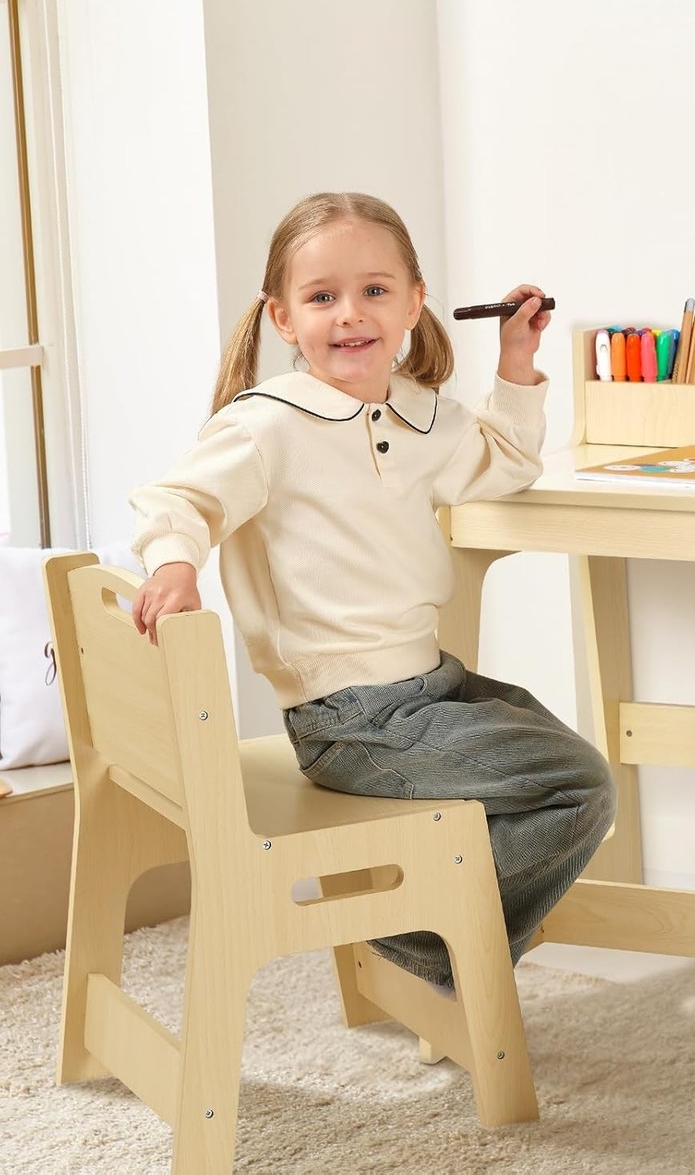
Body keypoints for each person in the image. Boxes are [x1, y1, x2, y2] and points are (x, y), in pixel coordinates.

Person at [129, 191, 616, 992]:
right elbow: (177, 499)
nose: (350, 314)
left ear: (415, 303)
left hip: (428, 683)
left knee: (550, 750)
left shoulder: (420, 415)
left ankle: (428, 926)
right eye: (322, 297)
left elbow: (505, 461)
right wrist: (175, 562)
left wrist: (517, 360)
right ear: (284, 318)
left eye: (375, 291)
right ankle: (432, 943)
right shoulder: (267, 425)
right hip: (349, 718)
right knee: (579, 784)